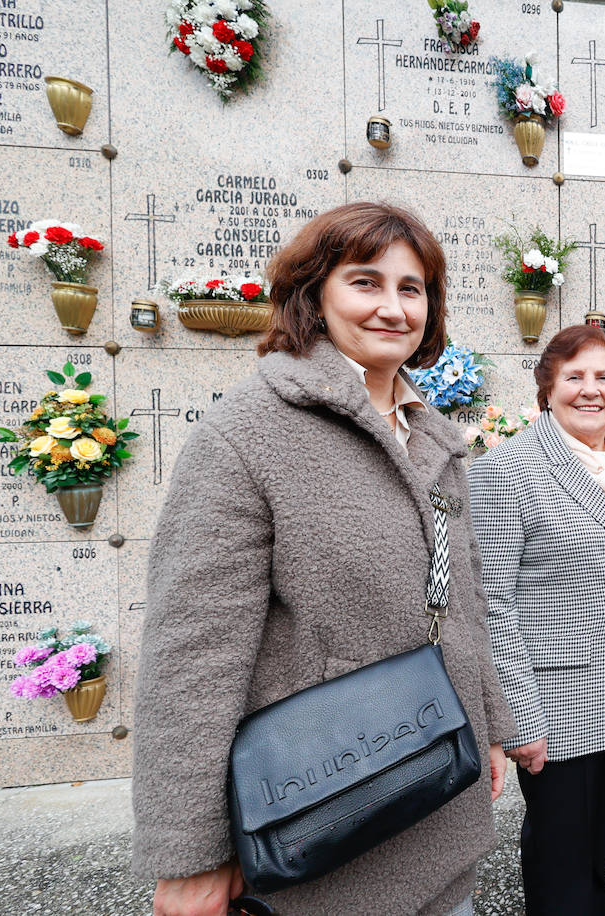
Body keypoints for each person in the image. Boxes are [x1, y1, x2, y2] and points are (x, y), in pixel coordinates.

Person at [130, 201, 515, 916]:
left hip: (439, 804)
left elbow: (461, 602)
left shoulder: (435, 439)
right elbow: (193, 654)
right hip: (327, 828)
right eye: (365, 283)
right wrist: (188, 853)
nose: (393, 308)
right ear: (314, 294)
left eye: (412, 288)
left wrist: (489, 725)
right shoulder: (248, 433)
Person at [467, 324, 605, 916]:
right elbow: (492, 605)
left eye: (604, 377)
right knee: (562, 868)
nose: (590, 390)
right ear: (546, 388)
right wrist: (519, 720)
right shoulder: (507, 471)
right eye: (573, 376)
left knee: (595, 856)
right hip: (558, 705)